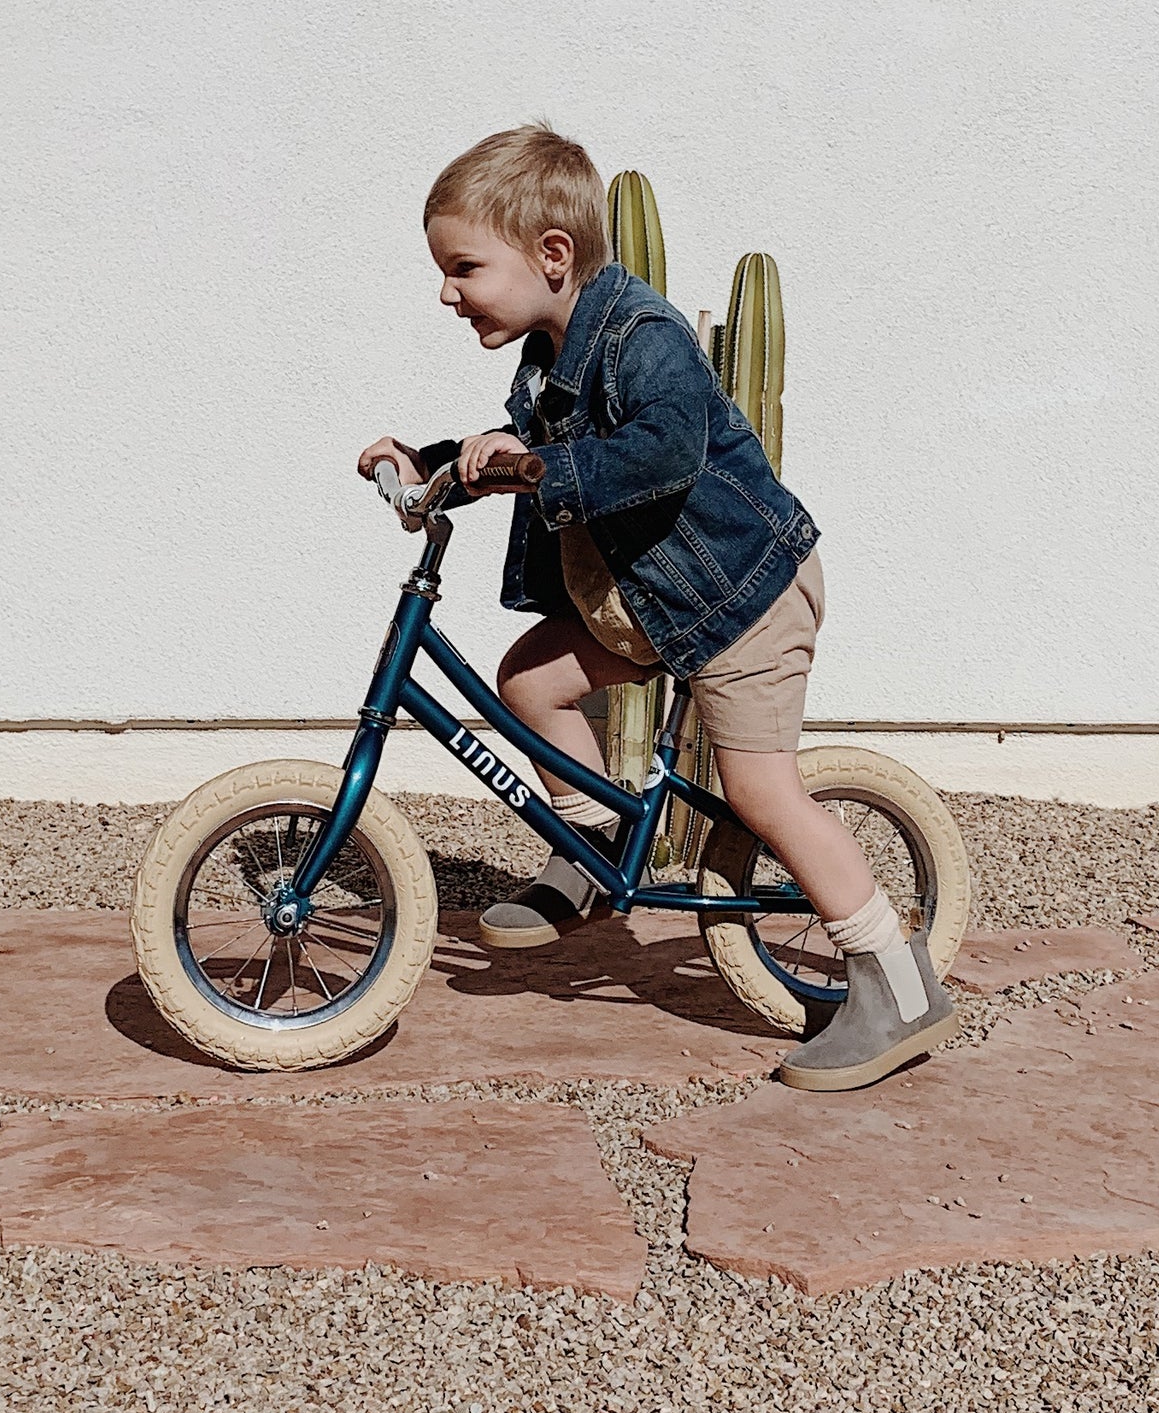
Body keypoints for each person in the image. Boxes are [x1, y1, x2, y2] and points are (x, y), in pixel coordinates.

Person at [357, 122, 959, 1093]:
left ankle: (899, 984)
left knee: (762, 792)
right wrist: (430, 466)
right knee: (529, 680)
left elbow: (663, 453)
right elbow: (524, 444)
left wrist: (535, 463)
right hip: (644, 605)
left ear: (554, 256)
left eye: (464, 266)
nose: (445, 290)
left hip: (738, 598)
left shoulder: (642, 336)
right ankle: (589, 852)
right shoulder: (552, 350)